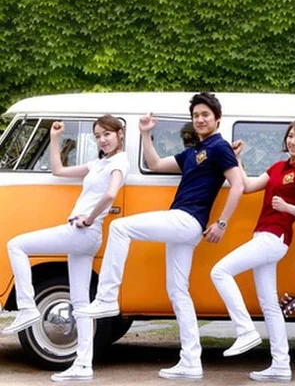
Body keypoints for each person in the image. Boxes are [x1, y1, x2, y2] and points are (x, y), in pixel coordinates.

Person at [76, 92, 245, 380]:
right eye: (196, 116)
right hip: (183, 225)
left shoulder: (220, 147)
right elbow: (155, 164)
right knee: (178, 291)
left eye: (205, 115)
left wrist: (222, 223)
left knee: (120, 227)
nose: (200, 119)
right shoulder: (192, 152)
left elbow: (238, 185)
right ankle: (191, 361)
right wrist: (145, 134)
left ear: (217, 119)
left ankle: (106, 298)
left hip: (188, 219)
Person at [4, 116, 128, 382]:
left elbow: (110, 193)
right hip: (85, 235)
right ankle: (83, 365)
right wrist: (55, 138)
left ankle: (27, 307)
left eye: (107, 134)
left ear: (120, 133)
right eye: (98, 136)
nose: (102, 140)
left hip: (82, 231)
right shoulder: (98, 163)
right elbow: (58, 170)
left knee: (16, 245)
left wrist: (90, 218)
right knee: (81, 302)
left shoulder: (120, 162)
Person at [210, 119, 295, 382]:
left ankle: (245, 330)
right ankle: (281, 365)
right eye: (290, 136)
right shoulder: (277, 167)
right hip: (263, 235)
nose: (293, 142)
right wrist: (237, 160)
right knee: (270, 305)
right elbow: (248, 187)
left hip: (275, 237)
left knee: (220, 271)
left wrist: (288, 208)